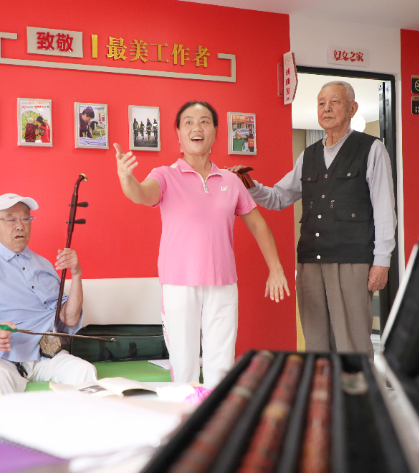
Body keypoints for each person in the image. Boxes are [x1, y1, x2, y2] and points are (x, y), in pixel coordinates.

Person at [113, 101, 289, 388]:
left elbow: (258, 225)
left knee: (222, 364)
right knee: (184, 365)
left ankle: (217, 415)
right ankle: (185, 414)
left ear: (215, 132)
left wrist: (276, 269)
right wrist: (126, 177)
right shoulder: (165, 175)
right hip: (180, 284)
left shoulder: (230, 180)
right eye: (189, 122)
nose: (197, 127)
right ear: (178, 134)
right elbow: (141, 194)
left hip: (223, 284)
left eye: (205, 121)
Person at [231, 81, 397, 355]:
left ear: (353, 108)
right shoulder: (308, 155)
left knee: (352, 341)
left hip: (352, 259)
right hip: (310, 261)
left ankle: (356, 385)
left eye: (335, 102)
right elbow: (278, 198)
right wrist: (248, 184)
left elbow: (384, 208)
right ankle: (321, 383)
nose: (326, 108)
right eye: (321, 103)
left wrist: (382, 261)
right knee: (316, 340)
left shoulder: (371, 148)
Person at [0, 193, 97, 396]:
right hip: (2, 360)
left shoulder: (45, 265)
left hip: (47, 357)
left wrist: (77, 274)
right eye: (11, 219)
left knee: (84, 371)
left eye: (26, 218)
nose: (20, 226)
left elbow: (69, 319)